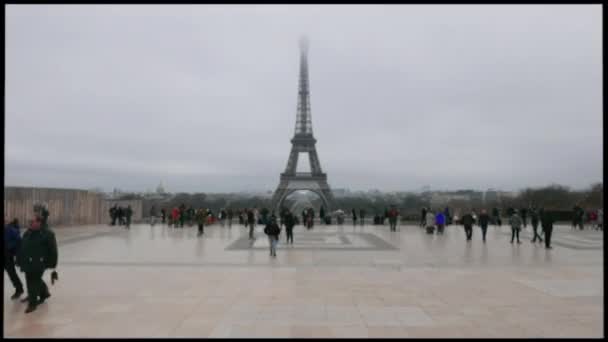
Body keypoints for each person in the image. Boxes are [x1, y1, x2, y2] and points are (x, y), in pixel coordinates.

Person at [18, 216, 58, 314]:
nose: (30, 223)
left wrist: (53, 263)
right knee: (32, 280)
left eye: (32, 221)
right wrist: (19, 259)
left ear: (39, 222)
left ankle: (32, 304)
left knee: (33, 282)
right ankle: (44, 293)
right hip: (28, 262)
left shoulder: (48, 234)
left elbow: (53, 250)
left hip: (40, 263)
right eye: (29, 221)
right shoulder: (27, 233)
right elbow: (22, 247)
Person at [5, 218, 24, 300]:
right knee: (11, 273)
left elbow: (19, 241)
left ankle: (19, 289)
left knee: (11, 273)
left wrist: (10, 247)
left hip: (7, 255)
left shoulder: (10, 230)